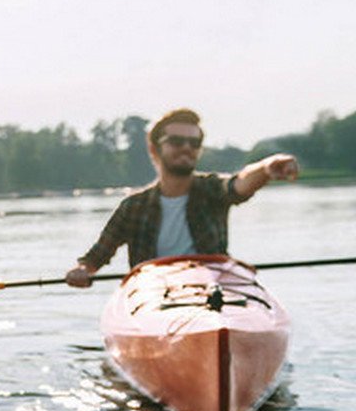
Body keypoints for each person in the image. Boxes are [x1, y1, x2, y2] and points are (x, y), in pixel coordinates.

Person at [64, 108, 300, 287]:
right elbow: (95, 258)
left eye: (194, 142)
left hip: (212, 288)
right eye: (176, 141)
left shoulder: (211, 190)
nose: (186, 147)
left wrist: (267, 168)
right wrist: (82, 270)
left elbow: (239, 184)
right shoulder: (133, 207)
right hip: (154, 293)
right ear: (155, 149)